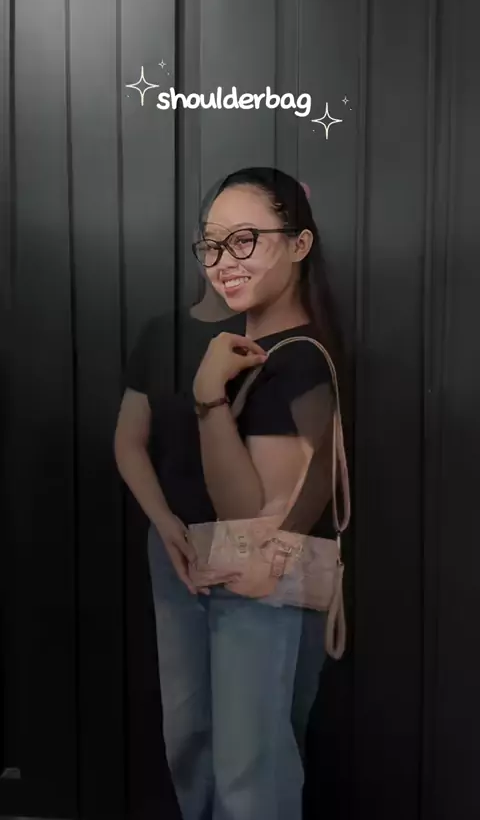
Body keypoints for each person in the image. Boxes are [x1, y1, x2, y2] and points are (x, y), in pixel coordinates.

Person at [114, 166, 345, 820]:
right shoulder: (176, 335)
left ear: (299, 244)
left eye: (245, 240)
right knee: (190, 736)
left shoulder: (296, 357)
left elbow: (256, 509)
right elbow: (129, 441)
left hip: (258, 568)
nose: (224, 260)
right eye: (213, 244)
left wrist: (208, 395)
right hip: (179, 557)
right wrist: (165, 526)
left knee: (251, 758)